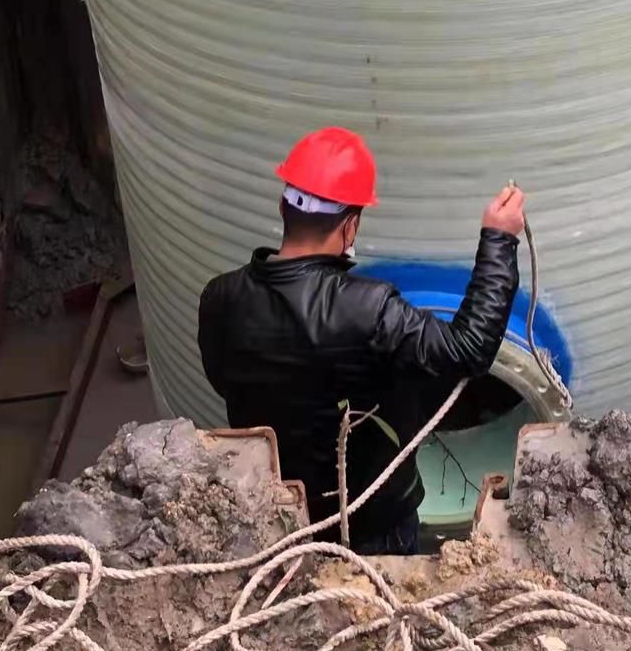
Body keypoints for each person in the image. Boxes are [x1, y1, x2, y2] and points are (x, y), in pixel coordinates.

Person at [197, 126, 525, 556]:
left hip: (273, 518)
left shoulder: (220, 298)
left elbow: (223, 379)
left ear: (283, 207)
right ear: (351, 225)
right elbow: (468, 350)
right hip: (373, 523)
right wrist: (499, 240)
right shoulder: (367, 307)